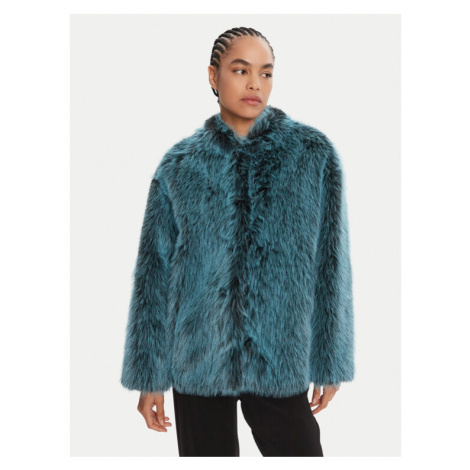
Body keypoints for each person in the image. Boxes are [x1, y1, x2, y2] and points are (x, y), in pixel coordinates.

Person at [121, 26, 355, 457]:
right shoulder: (180, 166)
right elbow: (153, 274)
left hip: (279, 357)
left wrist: (329, 358)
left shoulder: (312, 155)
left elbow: (332, 263)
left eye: (266, 72)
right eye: (241, 70)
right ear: (213, 76)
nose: (255, 84)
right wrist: (149, 374)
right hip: (198, 359)